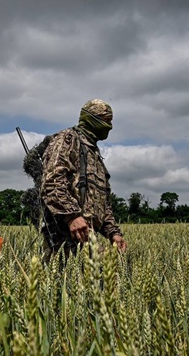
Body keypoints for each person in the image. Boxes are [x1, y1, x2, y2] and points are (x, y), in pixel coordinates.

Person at [40, 99, 127, 264]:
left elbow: (102, 202)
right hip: (65, 233)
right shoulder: (67, 139)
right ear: (91, 119)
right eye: (106, 120)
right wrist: (72, 216)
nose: (110, 126)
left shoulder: (94, 154)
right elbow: (52, 181)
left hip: (87, 235)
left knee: (108, 275)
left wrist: (113, 232)